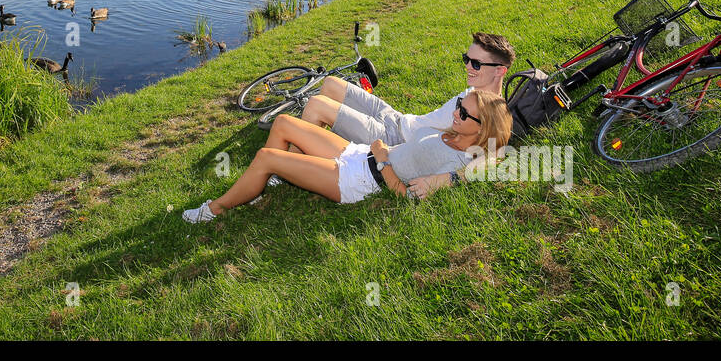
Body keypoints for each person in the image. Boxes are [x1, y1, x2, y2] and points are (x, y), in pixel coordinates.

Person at [182, 91, 512, 222]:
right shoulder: (456, 135)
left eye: (465, 115)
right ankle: (257, 189)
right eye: (459, 106)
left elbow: (407, 196)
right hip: (357, 154)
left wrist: (383, 160)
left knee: (267, 157)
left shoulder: (458, 163)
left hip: (358, 180)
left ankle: (215, 209)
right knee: (283, 123)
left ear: (483, 131)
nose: (456, 114)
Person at [299, 32, 515, 147]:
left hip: (392, 139)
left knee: (316, 106)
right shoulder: (475, 92)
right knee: (330, 83)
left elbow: (482, 154)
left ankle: (286, 166)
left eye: (476, 64)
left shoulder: (486, 114)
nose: (468, 67)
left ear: (500, 71)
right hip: (397, 118)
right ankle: (316, 139)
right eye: (466, 59)